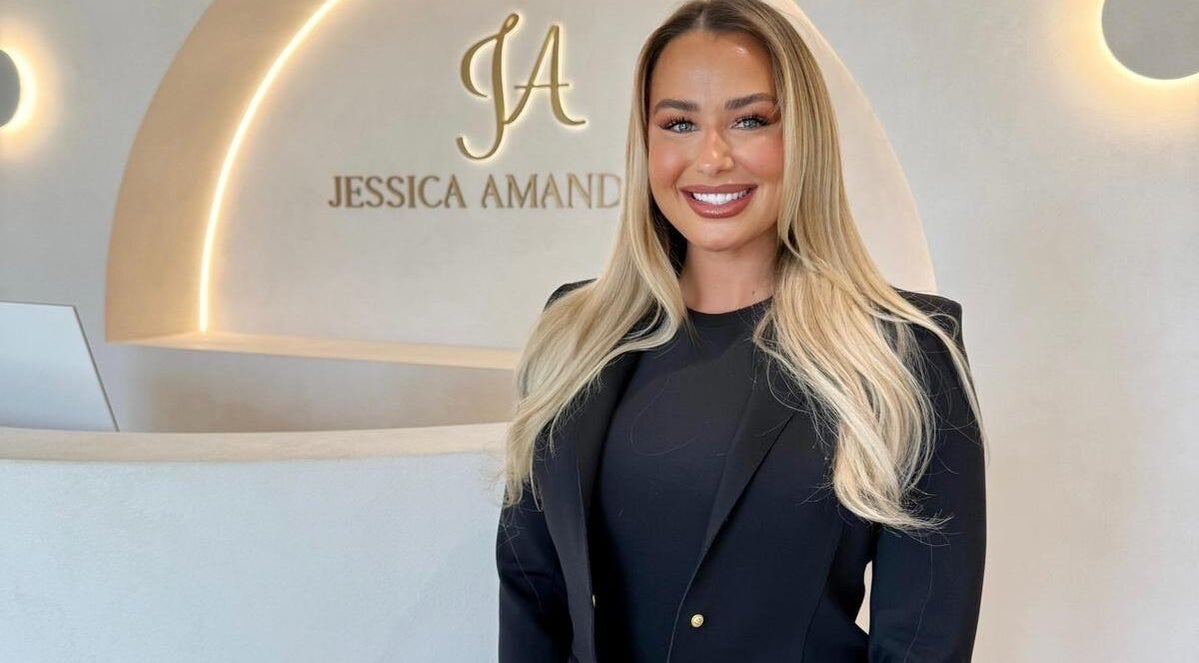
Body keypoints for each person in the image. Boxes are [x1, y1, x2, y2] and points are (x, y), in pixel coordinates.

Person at [495, 0, 988, 661]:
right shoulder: (572, 335)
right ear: (646, 143)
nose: (712, 156)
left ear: (802, 137)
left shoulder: (903, 354)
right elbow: (532, 590)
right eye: (678, 123)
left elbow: (922, 642)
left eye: (749, 119)